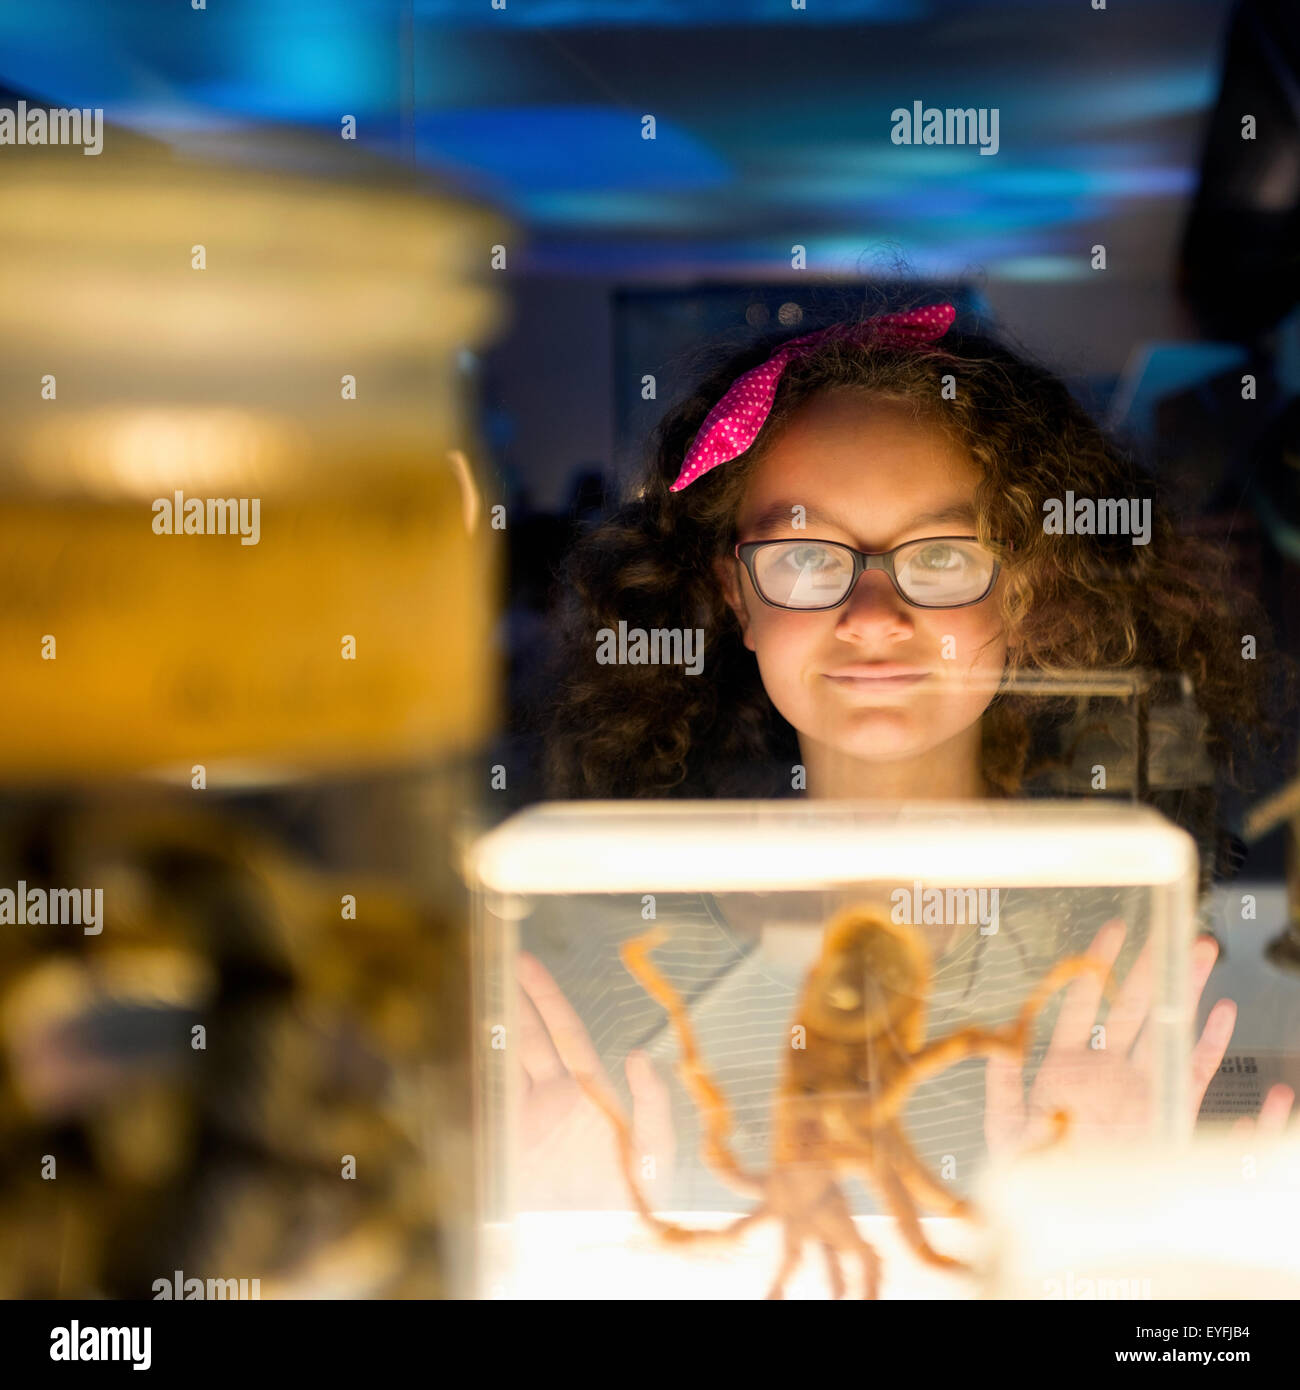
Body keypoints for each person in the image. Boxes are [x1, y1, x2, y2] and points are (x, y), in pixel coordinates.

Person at [517, 299, 1294, 1225]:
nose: (874, 617)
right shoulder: (600, 954)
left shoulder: (1133, 958)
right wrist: (559, 1232)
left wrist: (1116, 1226)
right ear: (736, 592)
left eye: (942, 556)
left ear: (1027, 587)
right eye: (806, 557)